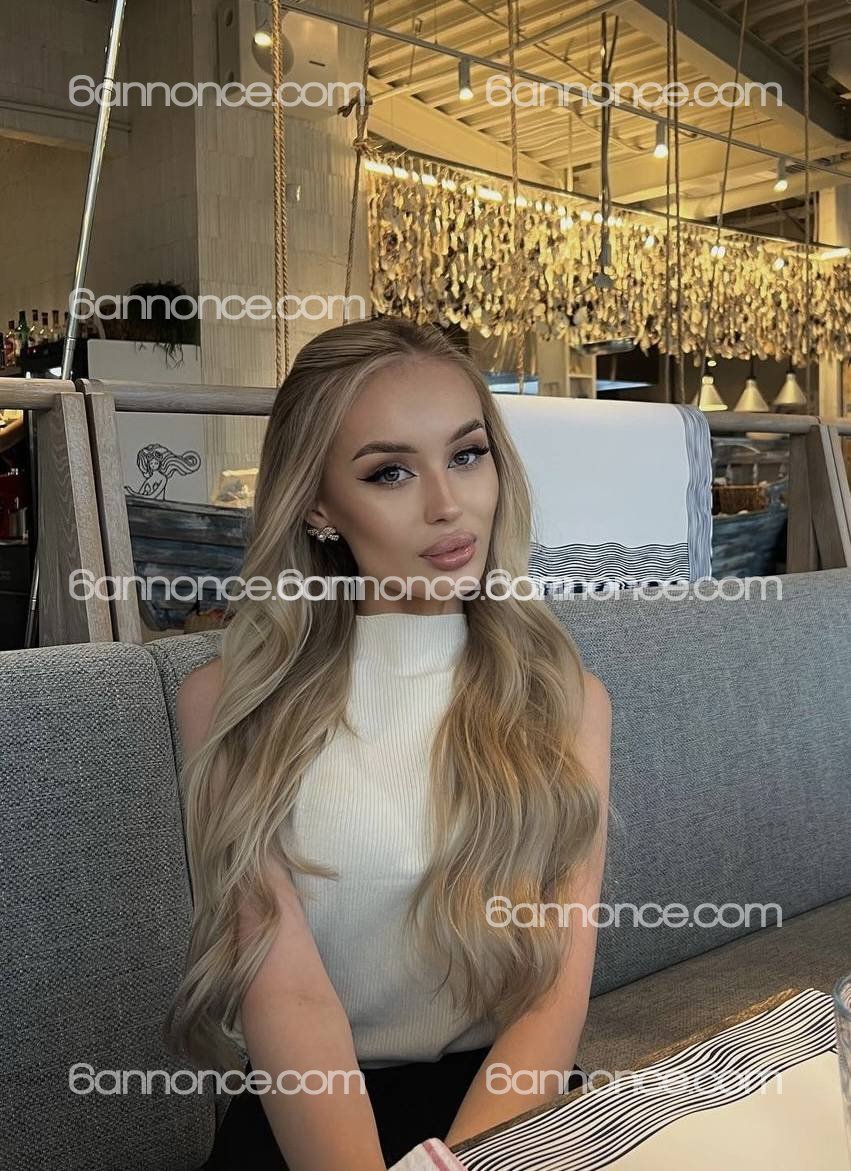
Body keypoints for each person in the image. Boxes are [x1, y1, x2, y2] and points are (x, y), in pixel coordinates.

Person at [165, 316, 612, 1171]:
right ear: (318, 504)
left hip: (509, 1114)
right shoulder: (226, 705)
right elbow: (287, 994)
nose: (447, 503)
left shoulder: (566, 701)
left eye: (467, 454)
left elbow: (551, 995)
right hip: (312, 1121)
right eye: (390, 472)